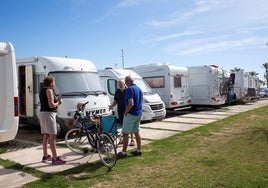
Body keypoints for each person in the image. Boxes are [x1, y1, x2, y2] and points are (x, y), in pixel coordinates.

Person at [39, 76, 66, 165]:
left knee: (46, 136)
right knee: (52, 137)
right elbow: (51, 105)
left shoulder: (42, 90)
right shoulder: (49, 91)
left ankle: (45, 155)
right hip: (49, 115)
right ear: (51, 83)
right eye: (53, 82)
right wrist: (59, 102)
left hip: (43, 114)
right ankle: (55, 158)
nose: (54, 83)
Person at [117, 76, 143, 158]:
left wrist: (125, 112)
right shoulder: (139, 89)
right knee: (136, 132)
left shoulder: (129, 89)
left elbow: (131, 103)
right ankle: (139, 150)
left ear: (127, 82)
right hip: (138, 114)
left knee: (125, 133)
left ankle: (123, 153)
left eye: (125, 82)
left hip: (131, 114)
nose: (125, 84)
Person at [109, 80, 135, 146]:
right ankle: (124, 140)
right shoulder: (117, 91)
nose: (120, 85)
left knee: (130, 126)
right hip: (120, 111)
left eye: (121, 83)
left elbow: (131, 101)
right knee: (123, 126)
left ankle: (132, 140)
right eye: (119, 84)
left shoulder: (128, 90)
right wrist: (111, 106)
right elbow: (115, 101)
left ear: (124, 84)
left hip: (128, 111)